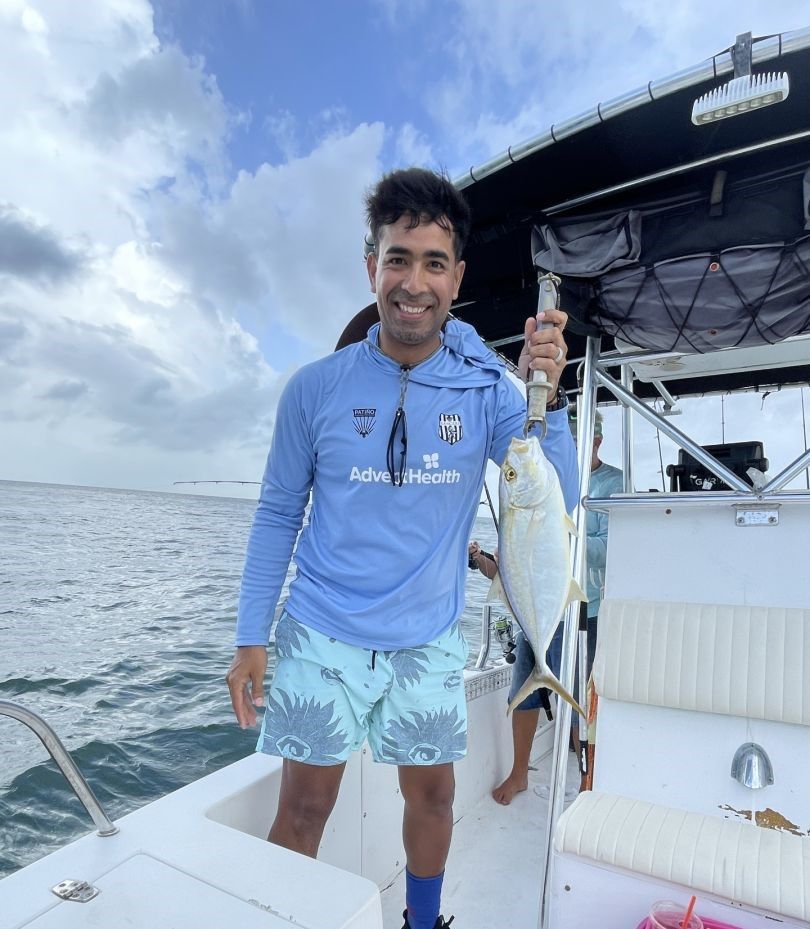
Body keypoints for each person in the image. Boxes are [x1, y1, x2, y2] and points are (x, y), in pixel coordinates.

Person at [225, 167, 578, 929]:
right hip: (322, 631)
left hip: (428, 639)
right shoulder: (314, 388)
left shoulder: (489, 388)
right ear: (371, 266)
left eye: (433, 263)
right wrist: (251, 635)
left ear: (457, 278)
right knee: (304, 804)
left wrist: (549, 399)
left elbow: (558, 498)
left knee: (435, 796)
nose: (414, 283)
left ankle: (423, 922)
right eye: (398, 258)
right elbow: (278, 512)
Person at [491, 410, 622, 805]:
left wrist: (557, 545)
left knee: (582, 696)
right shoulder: (548, 476)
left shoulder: (613, 483)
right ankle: (519, 773)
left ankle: (587, 778)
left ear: (597, 441)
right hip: (538, 605)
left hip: (586, 607)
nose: (571, 449)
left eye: (580, 440)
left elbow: (611, 547)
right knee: (523, 689)